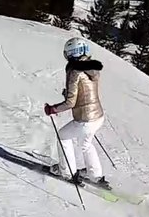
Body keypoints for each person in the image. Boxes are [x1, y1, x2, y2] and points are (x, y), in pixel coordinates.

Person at [43, 37, 110, 189]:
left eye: (67, 53)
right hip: (97, 116)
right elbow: (84, 91)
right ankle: (95, 175)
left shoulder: (74, 71)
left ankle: (66, 172)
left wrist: (52, 109)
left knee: (63, 137)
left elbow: (70, 103)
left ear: (72, 53)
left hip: (85, 119)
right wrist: (69, 94)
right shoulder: (91, 68)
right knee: (86, 144)